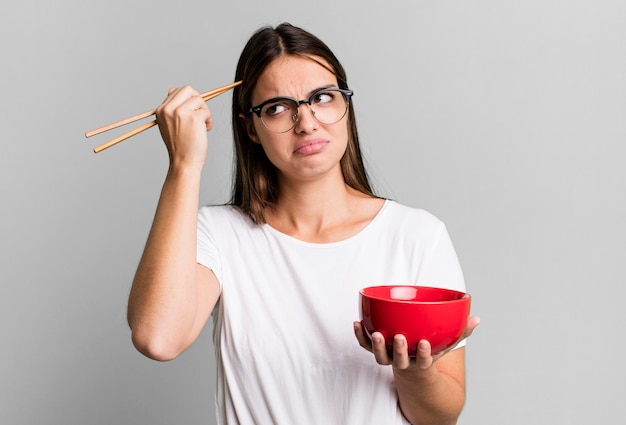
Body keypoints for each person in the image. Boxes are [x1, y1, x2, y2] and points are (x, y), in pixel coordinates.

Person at [127, 22, 480, 425]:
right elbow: (157, 338)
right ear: (250, 128)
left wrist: (414, 373)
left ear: (345, 104)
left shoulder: (417, 235)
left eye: (323, 98)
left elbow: (441, 417)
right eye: (277, 107)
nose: (307, 122)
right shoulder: (219, 235)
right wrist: (184, 164)